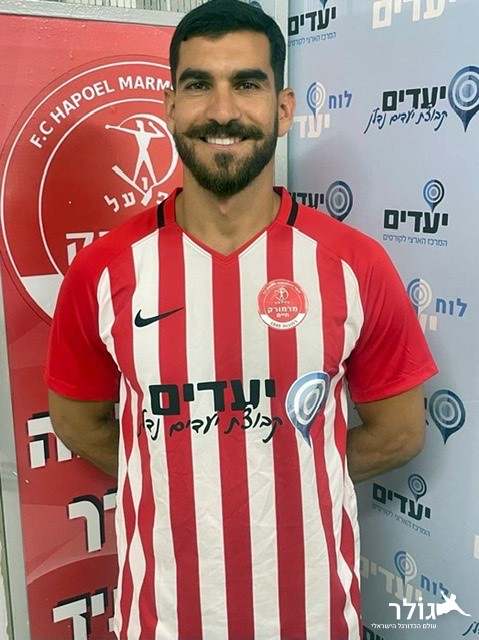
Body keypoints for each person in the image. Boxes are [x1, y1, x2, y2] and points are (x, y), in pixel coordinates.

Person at [45, 1, 438, 638]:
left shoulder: (354, 264)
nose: (223, 111)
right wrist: (182, 469)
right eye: (199, 85)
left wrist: (294, 469)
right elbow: (75, 420)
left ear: (282, 109)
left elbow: (399, 432)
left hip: (312, 619)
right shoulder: (101, 270)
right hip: (162, 621)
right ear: (171, 106)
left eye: (247, 84)